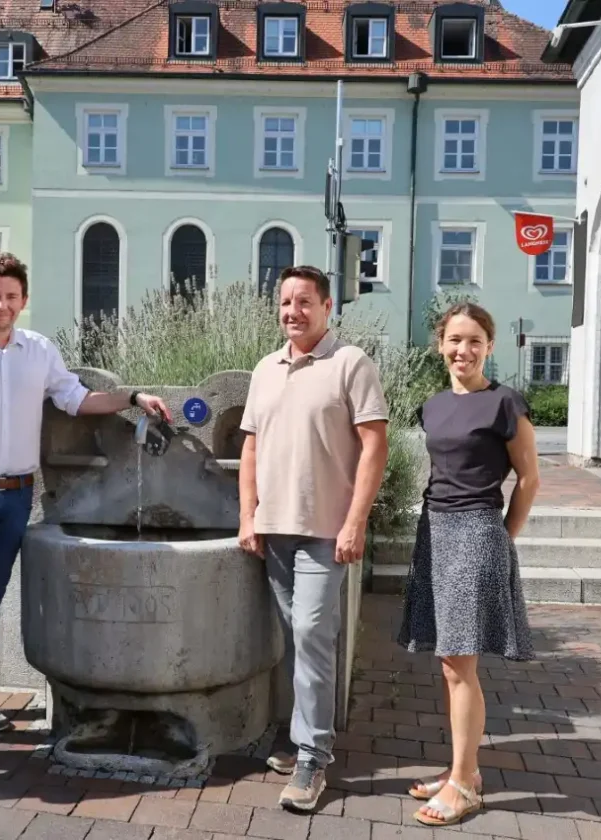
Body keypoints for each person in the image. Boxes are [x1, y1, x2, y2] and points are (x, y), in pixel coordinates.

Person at [0, 252, 172, 759]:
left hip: (13, 499)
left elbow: (76, 398)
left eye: (10, 296)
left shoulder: (38, 350)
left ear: (23, 301)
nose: (0, 304)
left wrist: (133, 396)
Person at [238, 265, 389, 812]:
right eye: (285, 302)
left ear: (327, 307)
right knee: (297, 640)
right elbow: (250, 450)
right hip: (274, 529)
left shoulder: (351, 363)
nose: (293, 311)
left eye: (304, 301)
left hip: (326, 531)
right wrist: (247, 517)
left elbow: (375, 447)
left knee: (312, 634)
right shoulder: (265, 368)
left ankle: (313, 758)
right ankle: (302, 736)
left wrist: (356, 522)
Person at [397, 302, 539, 828]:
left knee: (460, 665)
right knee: (448, 662)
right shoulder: (432, 406)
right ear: (440, 345)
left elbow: (528, 480)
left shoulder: (505, 403)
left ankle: (464, 784)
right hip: (434, 530)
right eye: (455, 340)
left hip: (478, 530)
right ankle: (464, 770)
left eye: (475, 340)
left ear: (490, 346)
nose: (464, 350)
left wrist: (502, 538)